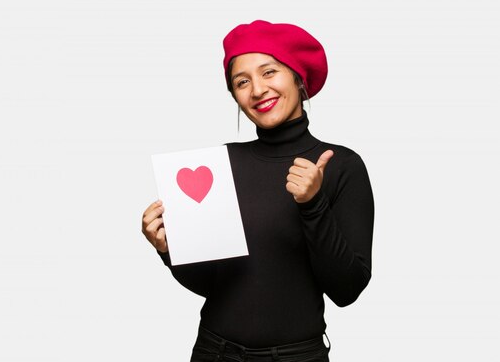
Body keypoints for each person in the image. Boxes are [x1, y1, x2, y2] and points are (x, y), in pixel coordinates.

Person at [141, 20, 374, 362]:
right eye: (242, 81)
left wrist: (312, 204)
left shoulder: (341, 165)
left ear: (298, 76)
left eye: (269, 72)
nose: (257, 90)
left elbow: (347, 289)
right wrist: (170, 251)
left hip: (297, 357)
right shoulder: (218, 164)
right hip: (214, 352)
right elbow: (215, 285)